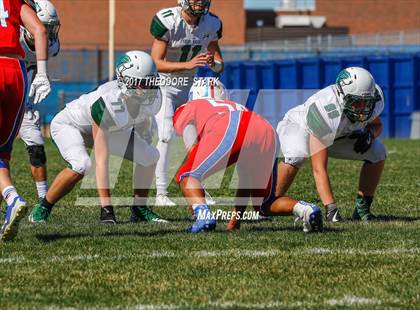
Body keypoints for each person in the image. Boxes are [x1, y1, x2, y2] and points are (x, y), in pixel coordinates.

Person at [28, 51, 168, 224]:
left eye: (150, 81)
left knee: (150, 155)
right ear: (126, 81)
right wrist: (106, 209)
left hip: (109, 128)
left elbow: (142, 126)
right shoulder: (108, 102)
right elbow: (101, 161)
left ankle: (139, 209)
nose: (148, 88)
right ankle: (43, 207)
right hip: (71, 125)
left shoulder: (147, 99)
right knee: (82, 164)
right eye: (143, 83)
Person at [174, 80, 323, 233]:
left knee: (186, 174)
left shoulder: (188, 107)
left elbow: (193, 153)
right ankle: (305, 209)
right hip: (265, 128)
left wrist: (196, 202)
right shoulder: (236, 106)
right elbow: (245, 179)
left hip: (230, 125)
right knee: (265, 204)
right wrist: (235, 222)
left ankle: (203, 218)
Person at [276, 67, 386, 222]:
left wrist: (370, 134)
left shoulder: (374, 99)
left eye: (366, 102)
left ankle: (362, 209)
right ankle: (268, 203)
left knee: (378, 152)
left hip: (336, 135)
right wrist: (331, 208)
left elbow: (376, 124)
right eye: (357, 102)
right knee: (297, 155)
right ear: (343, 97)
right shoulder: (326, 108)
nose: (363, 108)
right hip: (300, 127)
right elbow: (319, 168)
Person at [150, 0, 223, 206]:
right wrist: (188, 64)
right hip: (164, 86)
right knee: (165, 135)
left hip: (188, 87)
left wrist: (212, 63)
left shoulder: (211, 23)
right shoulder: (169, 21)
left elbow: (219, 65)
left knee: (195, 142)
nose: (200, 2)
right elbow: (155, 62)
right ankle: (161, 194)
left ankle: (199, 190)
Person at [0, 0, 51, 241]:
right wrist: (42, 74)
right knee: (2, 153)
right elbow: (40, 30)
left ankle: (12, 198)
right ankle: (8, 211)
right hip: (16, 72)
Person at [19, 0, 60, 203]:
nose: (50, 33)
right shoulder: (13, 39)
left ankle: (43, 201)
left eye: (52, 28)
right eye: (46, 27)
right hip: (5, 94)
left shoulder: (50, 46)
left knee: (37, 148)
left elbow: (34, 66)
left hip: (23, 103)